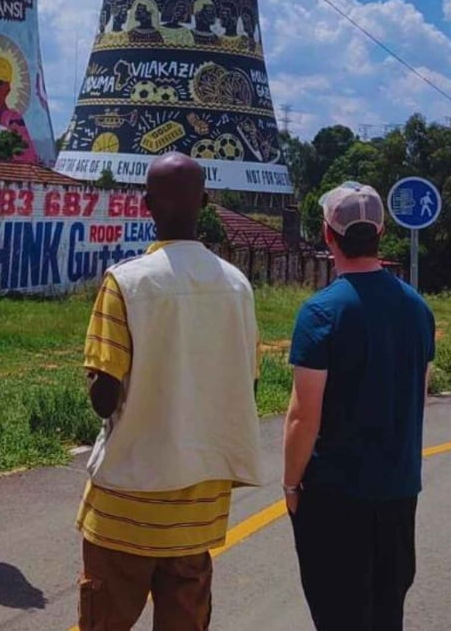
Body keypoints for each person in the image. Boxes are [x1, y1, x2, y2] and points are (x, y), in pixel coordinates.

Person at [76, 153, 264, 631]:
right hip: (198, 506)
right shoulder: (238, 286)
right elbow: (249, 382)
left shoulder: (125, 282)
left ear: (146, 204)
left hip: (126, 501)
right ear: (205, 201)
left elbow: (103, 398)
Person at [284, 181, 435, 631]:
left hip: (335, 496)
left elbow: (303, 416)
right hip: (399, 492)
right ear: (381, 233)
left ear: (327, 235)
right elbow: (419, 395)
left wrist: (291, 484)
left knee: (339, 615)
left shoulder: (321, 313)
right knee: (386, 614)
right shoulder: (418, 309)